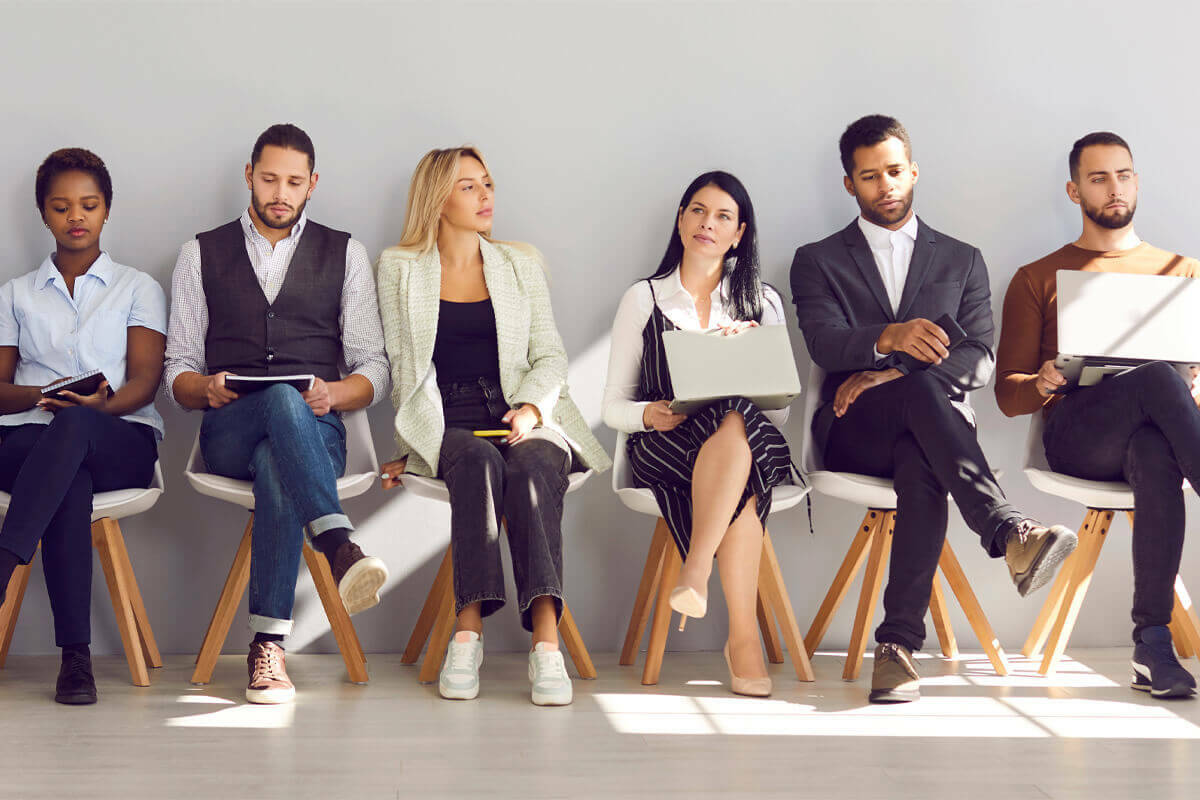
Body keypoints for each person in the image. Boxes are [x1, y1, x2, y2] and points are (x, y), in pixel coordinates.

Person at [791, 114, 1076, 704]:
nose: (886, 186)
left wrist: (885, 372)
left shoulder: (962, 259)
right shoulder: (816, 260)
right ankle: (1007, 532)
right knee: (922, 401)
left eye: (895, 171)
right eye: (870, 177)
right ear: (850, 184)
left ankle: (895, 650)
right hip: (850, 429)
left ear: (913, 171)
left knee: (921, 459)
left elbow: (978, 362)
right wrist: (892, 338)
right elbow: (822, 342)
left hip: (926, 431)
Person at [164, 123, 390, 705]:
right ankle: (339, 544)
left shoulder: (346, 253)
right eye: (269, 179)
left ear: (313, 184)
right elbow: (177, 372)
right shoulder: (200, 253)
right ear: (249, 176)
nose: (280, 193)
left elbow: (373, 368)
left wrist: (335, 395)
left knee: (279, 458)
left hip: (315, 432)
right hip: (230, 430)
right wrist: (204, 386)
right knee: (273, 418)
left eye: (293, 181)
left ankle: (268, 650)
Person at [377, 146, 609, 706]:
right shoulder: (399, 268)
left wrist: (532, 408)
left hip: (521, 412)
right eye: (469, 187)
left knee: (531, 469)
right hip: (448, 416)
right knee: (477, 464)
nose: (486, 196)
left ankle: (546, 646)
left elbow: (551, 356)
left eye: (488, 184)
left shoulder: (518, 264)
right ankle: (468, 634)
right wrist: (415, 448)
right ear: (437, 198)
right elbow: (406, 372)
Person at [996, 131, 1200, 699]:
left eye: (1124, 175)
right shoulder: (1038, 276)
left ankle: (1152, 645)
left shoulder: (1183, 272)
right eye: (1099, 178)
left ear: (1137, 180)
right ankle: (1153, 643)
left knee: (1157, 449)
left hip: (1157, 439)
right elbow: (1007, 396)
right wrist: (1040, 381)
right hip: (1078, 436)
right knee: (1158, 376)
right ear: (1074, 189)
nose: (1115, 189)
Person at [602, 170, 792, 697]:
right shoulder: (643, 299)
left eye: (723, 216)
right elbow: (612, 406)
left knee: (737, 419)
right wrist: (649, 415)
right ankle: (742, 637)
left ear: (740, 233)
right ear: (681, 220)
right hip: (668, 444)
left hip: (749, 441)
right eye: (698, 211)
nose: (708, 223)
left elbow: (777, 417)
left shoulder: (763, 304)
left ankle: (695, 571)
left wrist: (750, 357)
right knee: (744, 488)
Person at [0, 148, 166, 704]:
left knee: (73, 432)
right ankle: (76, 660)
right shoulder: (15, 294)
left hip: (120, 437)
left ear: (106, 210)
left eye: (89, 205)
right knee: (65, 464)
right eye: (62, 206)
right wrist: (46, 396)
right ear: (43, 213)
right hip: (28, 437)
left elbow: (144, 381)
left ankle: (3, 562)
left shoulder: (137, 286)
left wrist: (96, 407)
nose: (76, 216)